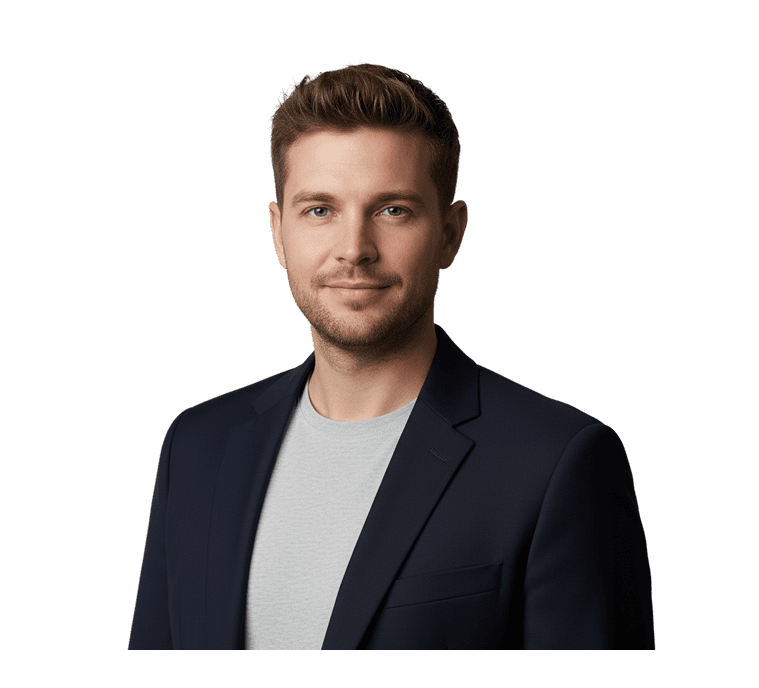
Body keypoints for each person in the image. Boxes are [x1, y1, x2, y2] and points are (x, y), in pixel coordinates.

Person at [128, 63, 655, 650]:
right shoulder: (197, 447)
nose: (354, 250)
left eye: (392, 210)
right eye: (320, 210)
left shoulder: (557, 461)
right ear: (278, 233)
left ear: (451, 234)